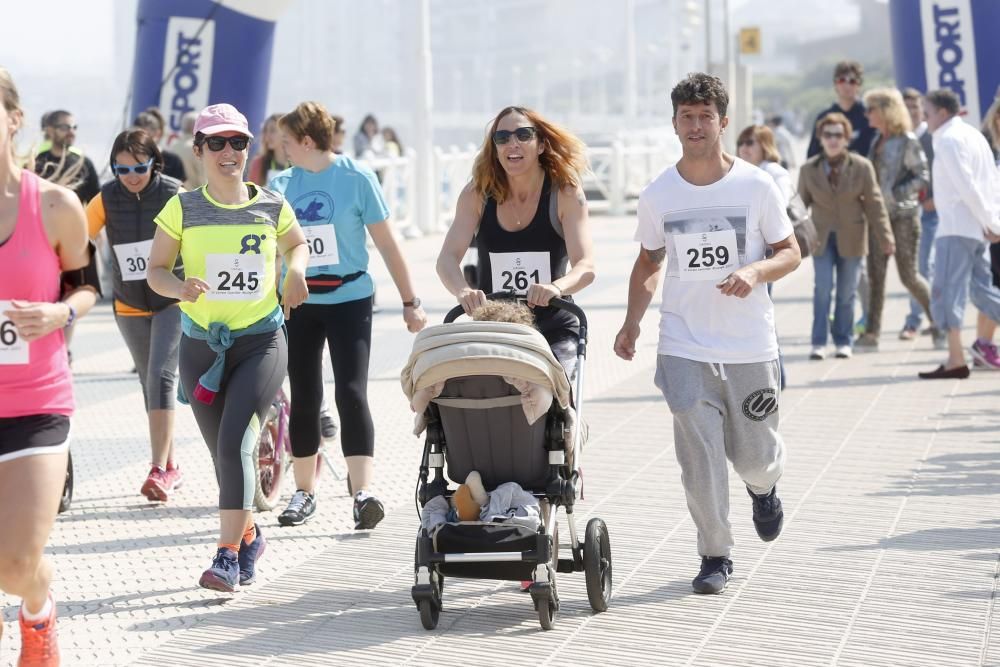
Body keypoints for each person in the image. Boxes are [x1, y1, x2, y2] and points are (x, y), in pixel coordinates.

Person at [614, 73, 800, 595]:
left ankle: (764, 489)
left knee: (754, 457)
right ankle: (715, 552)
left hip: (748, 346)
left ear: (722, 121)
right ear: (674, 123)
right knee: (699, 457)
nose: (696, 125)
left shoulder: (756, 185)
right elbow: (648, 262)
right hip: (684, 344)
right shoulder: (658, 195)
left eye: (705, 116)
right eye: (686, 116)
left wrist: (755, 272)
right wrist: (632, 322)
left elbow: (790, 252)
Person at [147, 103, 309, 591]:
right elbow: (155, 271)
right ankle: (251, 534)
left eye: (237, 142)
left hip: (261, 341)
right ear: (198, 150)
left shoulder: (272, 204)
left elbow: (296, 244)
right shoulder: (181, 207)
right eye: (215, 142)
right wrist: (179, 289)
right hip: (201, 348)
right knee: (224, 453)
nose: (228, 151)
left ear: (248, 149)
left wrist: (296, 271)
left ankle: (226, 555)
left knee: (237, 440)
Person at [271, 101, 426, 530]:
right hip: (299, 302)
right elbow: (267, 248)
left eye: (287, 141)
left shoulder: (357, 178)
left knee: (351, 393)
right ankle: (304, 492)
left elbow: (389, 244)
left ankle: (363, 493)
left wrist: (411, 302)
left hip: (350, 298)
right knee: (304, 395)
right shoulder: (281, 183)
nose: (282, 148)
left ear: (306, 141)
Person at [0, 67, 99, 665]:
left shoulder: (55, 205)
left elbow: (87, 285)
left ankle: (37, 611)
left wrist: (59, 314)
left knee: (15, 564)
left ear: (13, 119)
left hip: (36, 401)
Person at [435, 105, 596, 382]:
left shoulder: (565, 192)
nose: (513, 143)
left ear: (542, 144)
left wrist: (555, 287)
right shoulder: (476, 195)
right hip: (497, 328)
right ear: (495, 148)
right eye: (503, 138)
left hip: (554, 326)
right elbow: (447, 259)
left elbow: (587, 266)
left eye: (523, 135)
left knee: (553, 391)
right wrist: (463, 291)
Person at [86, 128, 185, 501]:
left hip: (172, 300)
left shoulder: (175, 194)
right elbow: (76, 238)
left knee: (161, 374)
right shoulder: (105, 198)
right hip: (128, 304)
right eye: (121, 169)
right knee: (149, 381)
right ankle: (171, 466)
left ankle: (157, 469)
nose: (129, 177)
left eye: (138, 168)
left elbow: (206, 237)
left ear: (154, 163)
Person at [918, 89, 1000, 379]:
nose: (923, 118)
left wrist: (990, 222)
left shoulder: (950, 140)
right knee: (982, 291)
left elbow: (968, 187)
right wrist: (990, 221)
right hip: (974, 229)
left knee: (946, 295)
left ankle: (955, 359)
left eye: (926, 112)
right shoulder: (975, 136)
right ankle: (955, 358)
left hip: (957, 228)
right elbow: (990, 182)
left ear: (942, 112)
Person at [799, 112, 893, 359]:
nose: (833, 140)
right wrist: (792, 240)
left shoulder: (862, 166)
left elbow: (875, 204)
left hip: (852, 236)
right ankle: (818, 342)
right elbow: (798, 208)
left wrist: (886, 237)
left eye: (838, 135)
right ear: (820, 138)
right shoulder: (809, 169)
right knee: (822, 289)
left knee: (846, 292)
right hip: (820, 239)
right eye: (828, 134)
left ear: (847, 138)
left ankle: (843, 340)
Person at [855, 88, 932, 351]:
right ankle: (871, 334)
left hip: (904, 217)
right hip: (878, 218)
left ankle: (940, 322)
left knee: (909, 275)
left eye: (871, 109)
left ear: (886, 110)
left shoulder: (907, 140)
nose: (867, 115)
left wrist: (896, 192)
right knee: (876, 277)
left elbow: (922, 176)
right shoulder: (877, 139)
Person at [736, 124, 792, 386]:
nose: (744, 148)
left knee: (762, 313)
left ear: (765, 145)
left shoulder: (773, 174)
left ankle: (776, 376)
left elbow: (777, 211)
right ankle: (776, 375)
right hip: (751, 255)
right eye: (742, 142)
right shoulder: (743, 173)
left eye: (751, 142)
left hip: (769, 255)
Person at [900, 87, 939, 340]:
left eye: (915, 108)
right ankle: (935, 317)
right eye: (907, 108)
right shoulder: (899, 139)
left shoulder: (933, 137)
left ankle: (915, 320)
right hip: (907, 213)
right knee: (917, 268)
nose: (912, 113)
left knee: (921, 267)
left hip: (931, 213)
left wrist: (934, 197)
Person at [806, 61, 876, 159]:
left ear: (859, 85)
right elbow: (812, 156)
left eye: (852, 81)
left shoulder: (870, 116)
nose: (847, 86)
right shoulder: (823, 118)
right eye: (842, 80)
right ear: (835, 84)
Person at [34, 109, 100, 204]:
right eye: (65, 127)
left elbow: (95, 202)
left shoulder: (84, 164)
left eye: (74, 127)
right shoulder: (37, 163)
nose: (71, 132)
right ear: (50, 130)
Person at [133, 108, 187, 183]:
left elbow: (180, 188)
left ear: (157, 134)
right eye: (137, 137)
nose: (142, 142)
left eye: (146, 137)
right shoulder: (128, 157)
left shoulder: (173, 160)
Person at [247, 113, 289, 186]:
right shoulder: (258, 163)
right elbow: (251, 194)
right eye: (265, 131)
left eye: (272, 130)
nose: (267, 135)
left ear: (285, 133)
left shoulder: (298, 165)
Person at [170, 111, 205, 190]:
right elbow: (203, 178)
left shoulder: (173, 146)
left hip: (175, 195)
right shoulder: (197, 148)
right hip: (195, 197)